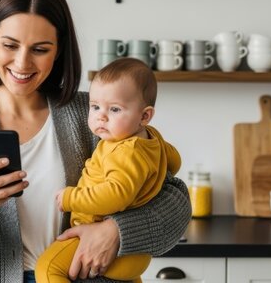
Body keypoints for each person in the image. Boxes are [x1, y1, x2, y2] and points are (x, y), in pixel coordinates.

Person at [0, 0, 191, 282]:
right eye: (10, 45)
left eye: (40, 49)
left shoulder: (96, 115)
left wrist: (115, 232)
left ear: (58, 52)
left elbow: (176, 202)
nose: (22, 62)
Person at [35, 58, 181, 283]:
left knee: (47, 269)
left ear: (144, 116)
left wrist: (71, 198)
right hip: (134, 255)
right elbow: (174, 162)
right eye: (95, 107)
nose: (101, 116)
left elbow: (116, 194)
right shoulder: (152, 139)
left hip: (109, 243)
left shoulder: (125, 151)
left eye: (114, 109)